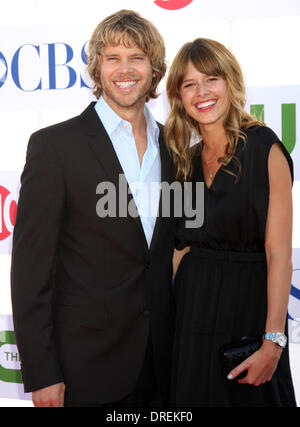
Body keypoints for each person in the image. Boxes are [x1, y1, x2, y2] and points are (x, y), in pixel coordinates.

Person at [11, 10, 175, 407]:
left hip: (166, 365)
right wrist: (43, 373)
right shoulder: (55, 147)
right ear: (97, 69)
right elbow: (30, 271)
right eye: (112, 57)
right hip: (86, 368)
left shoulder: (174, 146)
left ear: (154, 70)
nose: (125, 69)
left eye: (136, 57)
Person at [165, 38, 296, 407]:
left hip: (247, 319)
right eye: (189, 84)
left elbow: (280, 254)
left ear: (231, 83)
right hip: (190, 319)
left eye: (211, 79)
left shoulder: (263, 148)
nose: (201, 92)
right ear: (179, 96)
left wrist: (274, 341)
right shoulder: (184, 161)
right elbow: (178, 250)